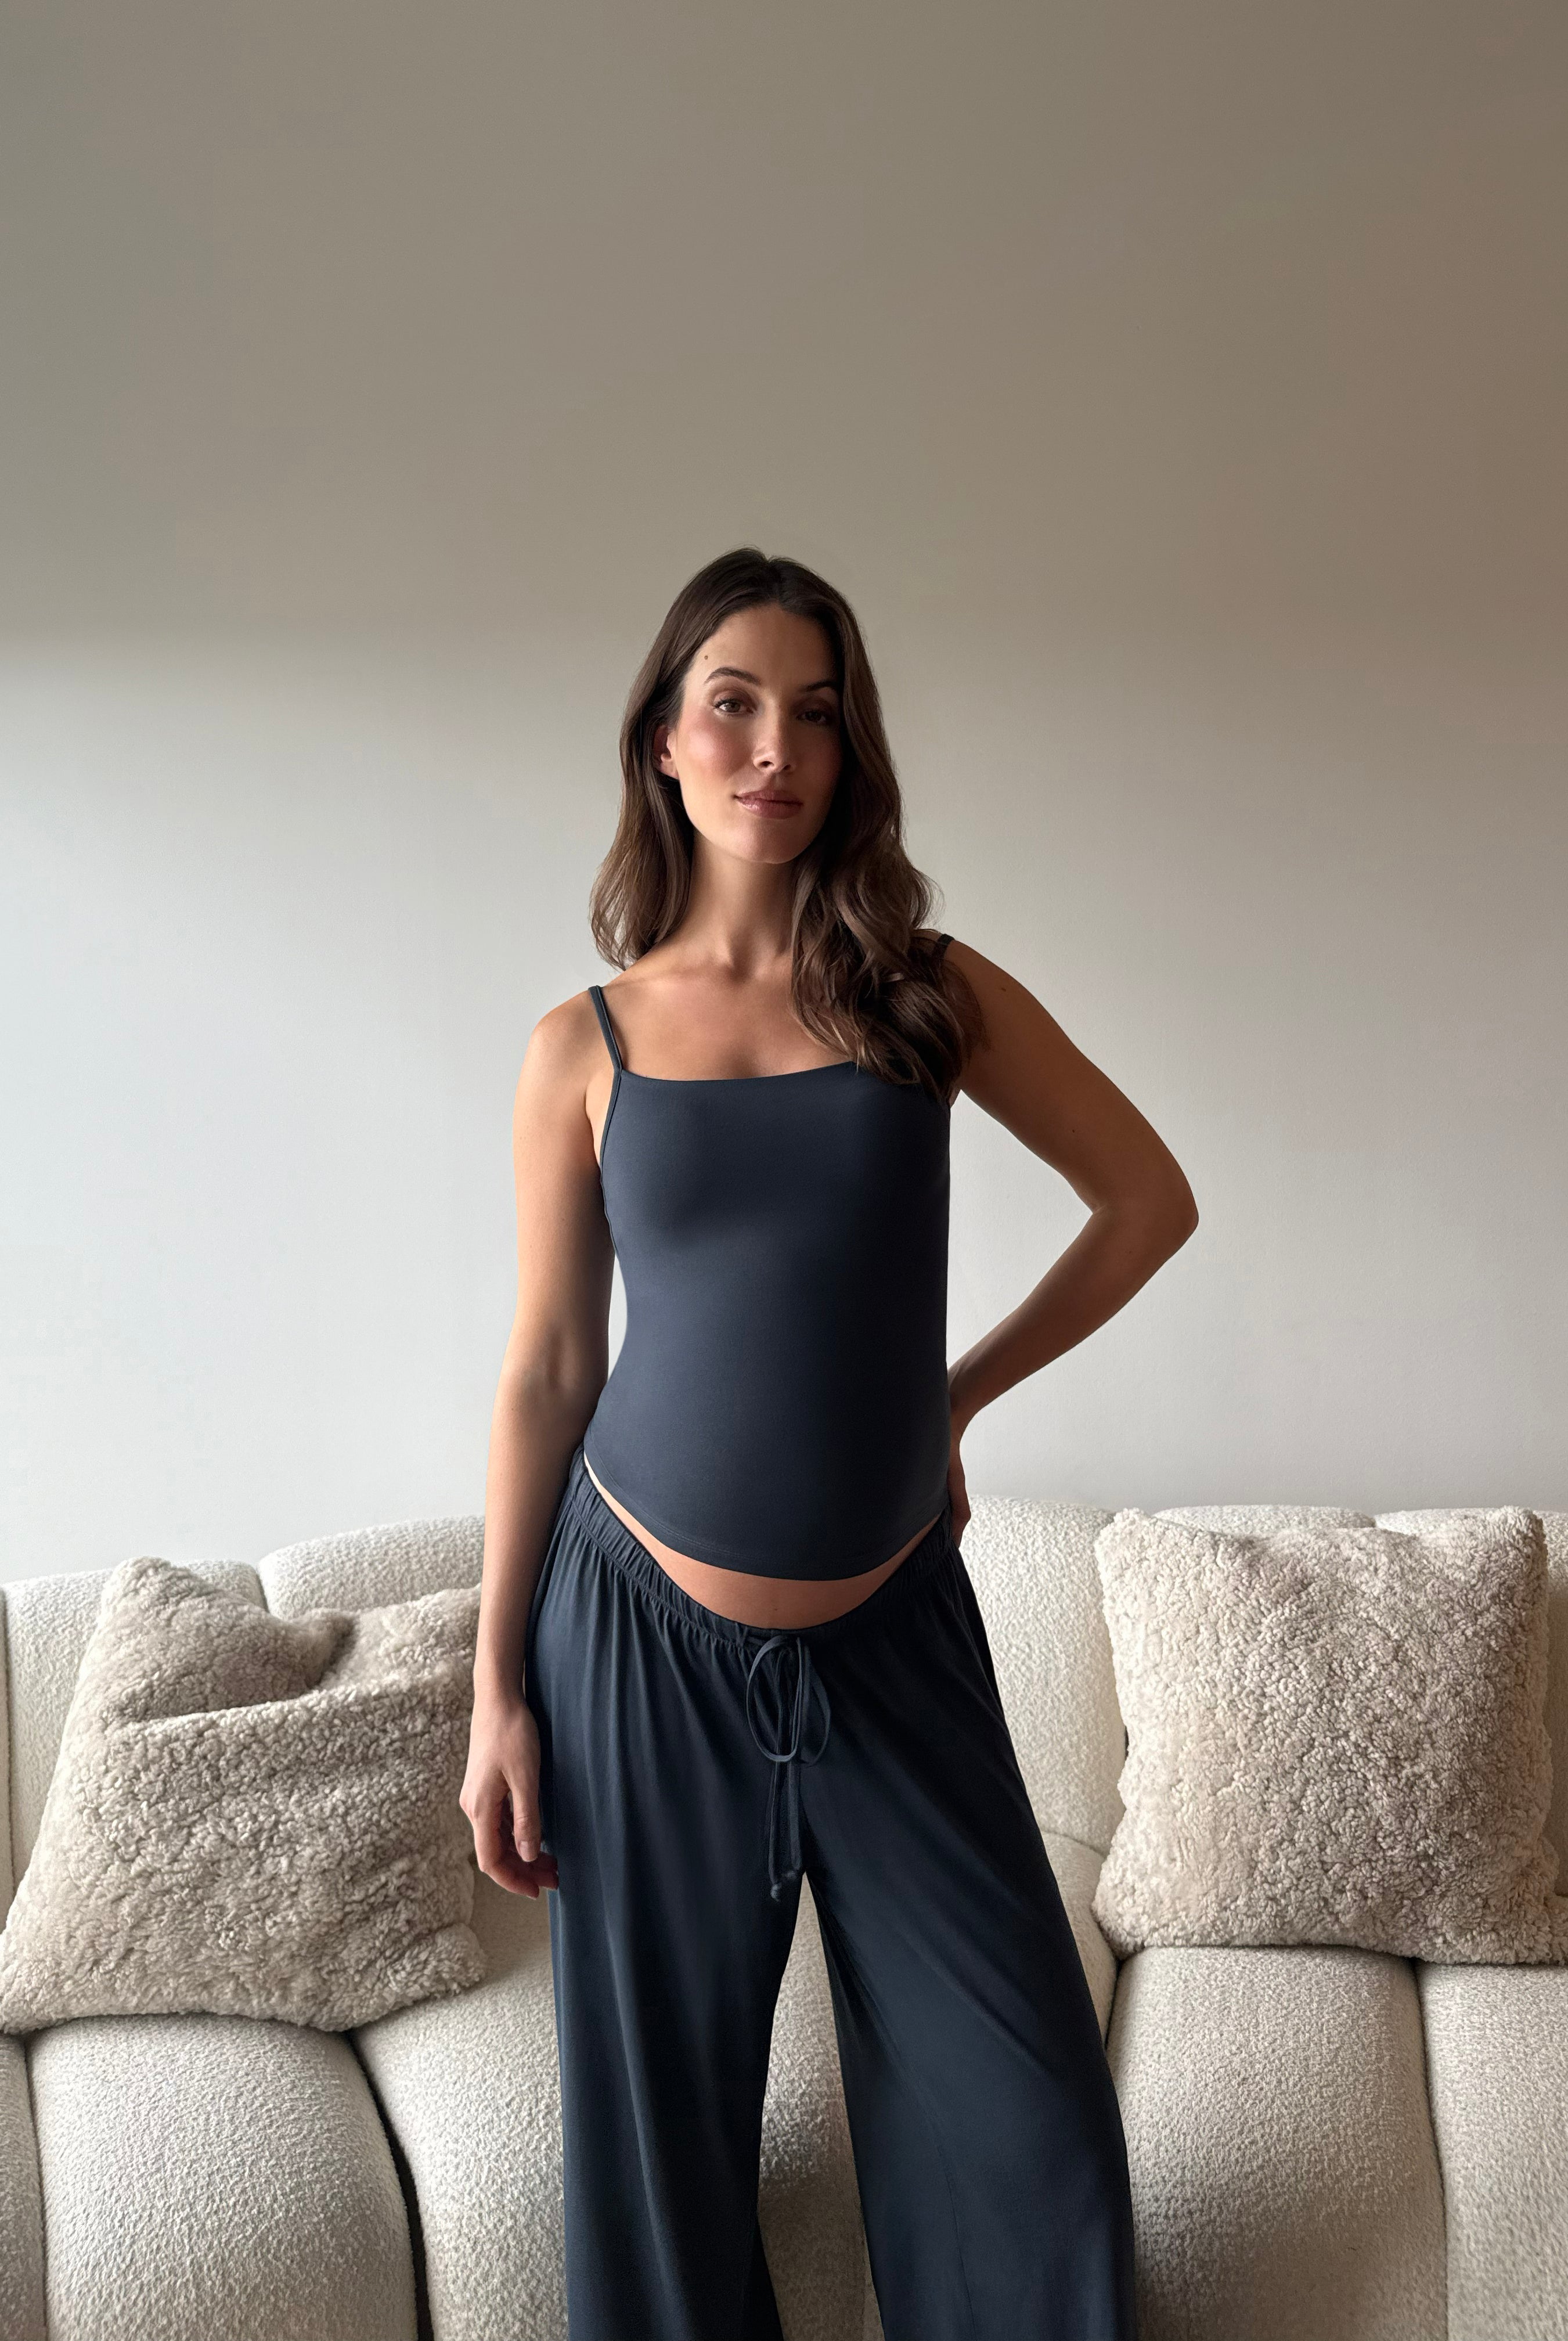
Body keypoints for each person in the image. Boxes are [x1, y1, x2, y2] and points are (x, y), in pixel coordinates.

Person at [461, 546, 1196, 2340]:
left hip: (898, 1651)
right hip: (634, 1644)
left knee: (1028, 2128)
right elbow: (551, 1369)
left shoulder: (925, 995)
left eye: (816, 711)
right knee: (661, 2160)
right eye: (734, 702)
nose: (774, 746)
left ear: (851, 752)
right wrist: (495, 1684)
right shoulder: (585, 1046)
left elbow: (1144, 1203)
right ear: (660, 739)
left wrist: (952, 1394)